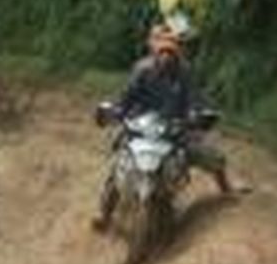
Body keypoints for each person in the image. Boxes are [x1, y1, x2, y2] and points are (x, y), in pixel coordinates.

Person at [93, 25, 232, 232]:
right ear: (155, 51)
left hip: (176, 128)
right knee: (119, 161)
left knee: (212, 155)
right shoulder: (141, 70)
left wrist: (198, 115)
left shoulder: (185, 72)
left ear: (178, 52)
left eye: (171, 50)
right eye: (162, 50)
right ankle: (105, 213)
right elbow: (126, 99)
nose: (166, 56)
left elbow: (196, 99)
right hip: (140, 126)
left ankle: (226, 189)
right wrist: (114, 112)